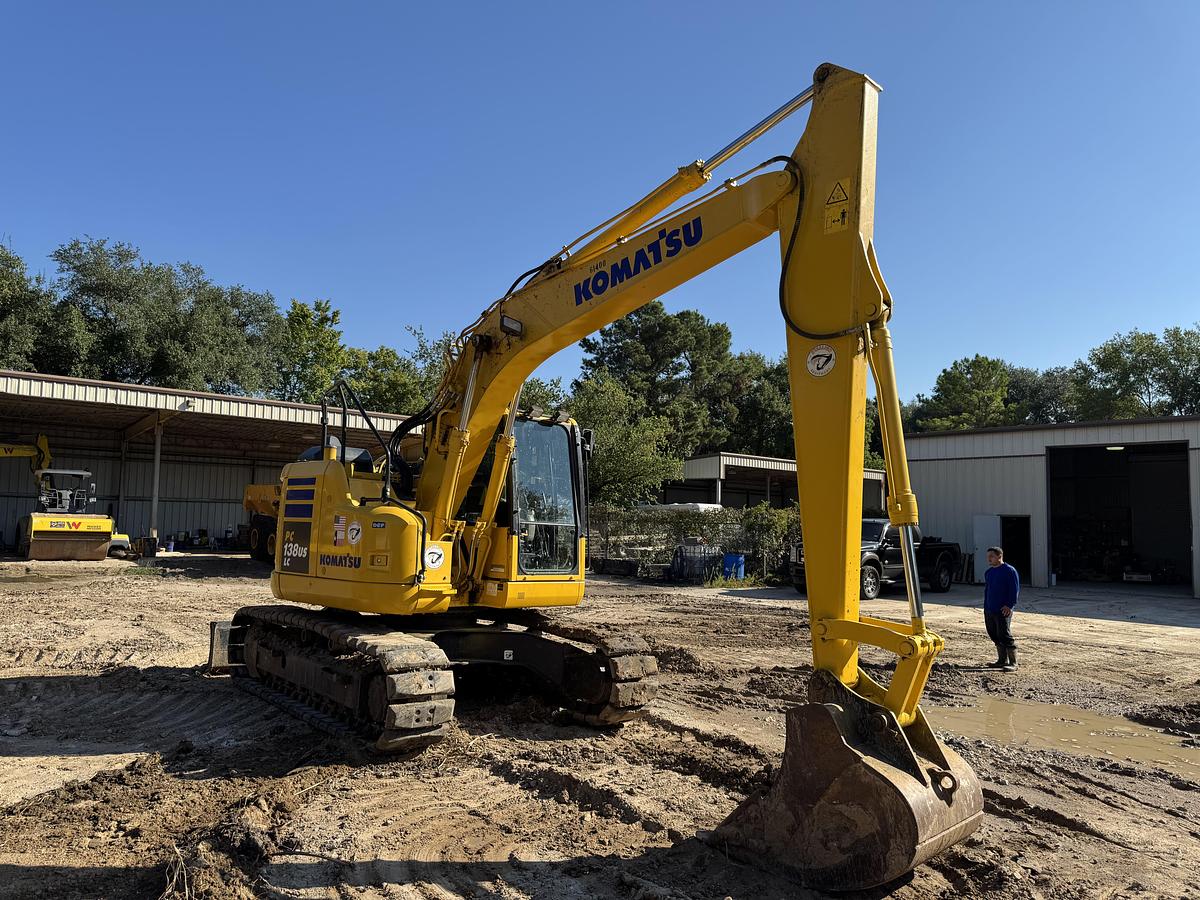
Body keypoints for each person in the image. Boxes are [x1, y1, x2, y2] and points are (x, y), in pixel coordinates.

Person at [983, 546, 1019, 672]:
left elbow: (1014, 590)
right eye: (988, 556)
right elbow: (988, 591)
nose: (989, 559)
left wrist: (1010, 605)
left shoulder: (1009, 571)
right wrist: (986, 606)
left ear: (999, 556)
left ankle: (1013, 662)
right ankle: (1001, 660)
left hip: (1003, 609)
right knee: (993, 633)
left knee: (1004, 634)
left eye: (991, 556)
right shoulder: (989, 572)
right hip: (989, 609)